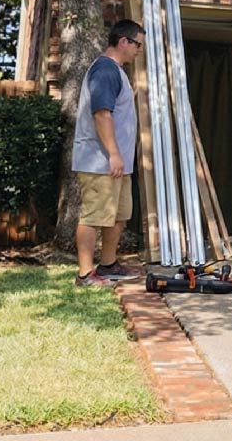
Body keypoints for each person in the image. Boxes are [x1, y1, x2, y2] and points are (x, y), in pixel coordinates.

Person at [73, 19, 146, 287]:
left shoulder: (116, 71)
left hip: (116, 163)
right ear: (124, 41)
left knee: (118, 215)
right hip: (99, 161)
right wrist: (114, 154)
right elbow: (101, 114)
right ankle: (85, 275)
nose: (139, 50)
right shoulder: (104, 70)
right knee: (94, 216)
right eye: (138, 45)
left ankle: (107, 265)